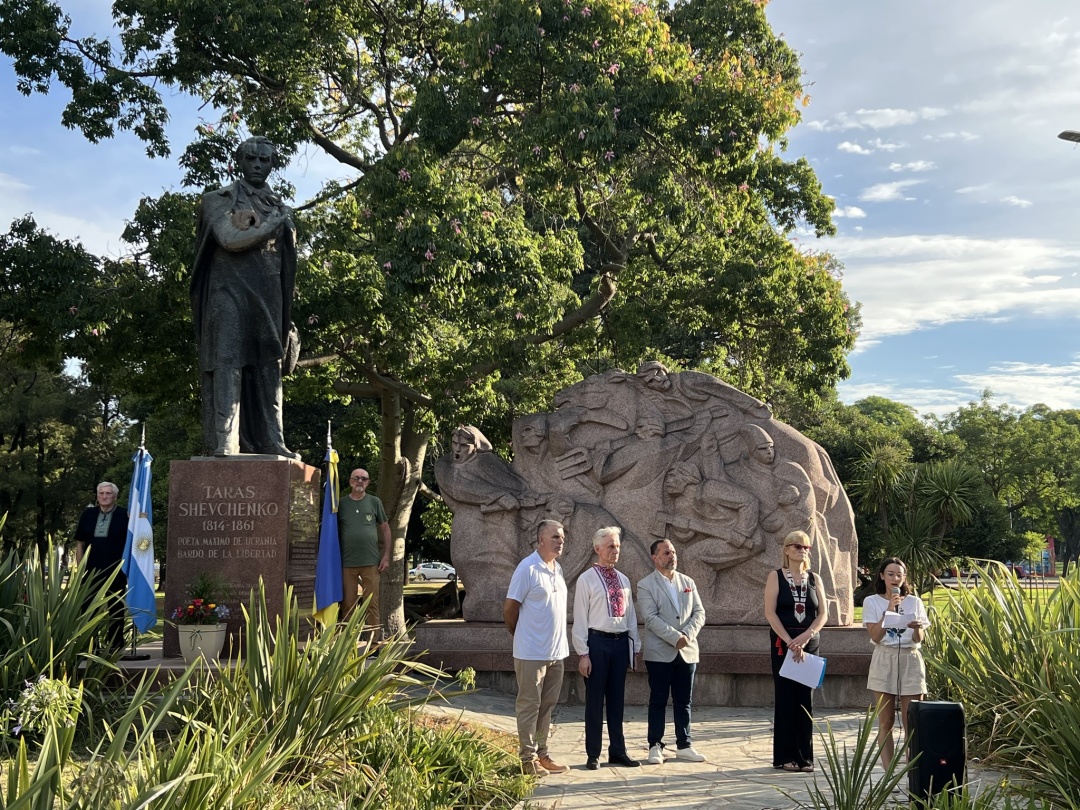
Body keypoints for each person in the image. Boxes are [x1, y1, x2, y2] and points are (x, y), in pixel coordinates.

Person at [191, 135, 299, 459]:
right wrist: (276, 223)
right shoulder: (218, 200)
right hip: (228, 293)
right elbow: (229, 239)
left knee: (270, 368)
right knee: (227, 360)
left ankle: (272, 439)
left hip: (268, 295)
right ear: (239, 161)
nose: (256, 165)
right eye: (250, 158)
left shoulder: (276, 205)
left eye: (263, 160)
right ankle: (226, 440)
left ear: (271, 164)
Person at [503, 520, 571, 777]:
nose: (560, 541)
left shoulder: (558, 569)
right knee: (529, 706)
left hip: (556, 652)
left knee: (547, 706)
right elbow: (510, 608)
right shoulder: (527, 568)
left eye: (562, 537)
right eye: (555, 537)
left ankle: (542, 753)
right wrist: (518, 632)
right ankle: (526, 759)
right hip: (531, 653)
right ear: (541, 540)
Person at [572, 526, 641, 769]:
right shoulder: (586, 579)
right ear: (597, 548)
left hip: (621, 643)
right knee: (594, 700)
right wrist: (583, 653)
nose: (615, 550)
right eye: (611, 546)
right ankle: (593, 753)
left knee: (617, 700)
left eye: (618, 546)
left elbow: (630, 615)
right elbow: (580, 617)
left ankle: (618, 750)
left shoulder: (623, 580)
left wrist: (634, 647)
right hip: (597, 642)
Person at [637, 538, 707, 765]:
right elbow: (650, 617)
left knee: (684, 701)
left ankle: (684, 744)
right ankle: (655, 745)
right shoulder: (645, 584)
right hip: (660, 653)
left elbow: (699, 612)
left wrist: (686, 635)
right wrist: (675, 637)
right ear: (655, 557)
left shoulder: (688, 581)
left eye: (674, 552)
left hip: (687, 651)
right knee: (658, 700)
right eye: (666, 552)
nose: (672, 556)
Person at [763, 530, 829, 773]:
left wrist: (806, 636)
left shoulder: (814, 579)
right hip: (784, 641)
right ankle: (785, 756)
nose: (802, 550)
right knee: (786, 698)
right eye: (797, 546)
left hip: (808, 642)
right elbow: (770, 612)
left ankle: (805, 757)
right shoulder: (776, 576)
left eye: (806, 547)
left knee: (805, 700)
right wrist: (790, 640)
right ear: (786, 549)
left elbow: (822, 613)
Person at [862, 557, 930, 770]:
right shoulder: (871, 601)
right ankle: (888, 771)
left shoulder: (914, 602)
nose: (895, 578)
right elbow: (875, 636)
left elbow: (919, 638)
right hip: (885, 659)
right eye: (890, 574)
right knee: (886, 721)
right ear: (882, 576)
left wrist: (918, 627)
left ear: (904, 578)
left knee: (912, 721)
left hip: (910, 659)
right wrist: (889, 610)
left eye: (899, 574)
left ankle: (913, 769)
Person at [74, 482, 130, 651]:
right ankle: (90, 645)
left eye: (108, 494)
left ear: (115, 496)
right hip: (91, 570)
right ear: (97, 496)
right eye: (101, 493)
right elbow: (79, 544)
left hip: (116, 570)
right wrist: (80, 569)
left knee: (115, 608)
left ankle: (115, 644)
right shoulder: (88, 514)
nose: (104, 497)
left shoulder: (124, 515)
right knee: (89, 609)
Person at [338, 468, 391, 635]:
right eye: (356, 478)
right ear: (350, 481)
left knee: (372, 604)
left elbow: (386, 529)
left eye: (364, 478)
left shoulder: (375, 502)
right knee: (348, 604)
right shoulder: (341, 504)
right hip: (347, 563)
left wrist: (386, 556)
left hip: (371, 562)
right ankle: (348, 646)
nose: (360, 481)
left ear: (368, 482)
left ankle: (374, 645)